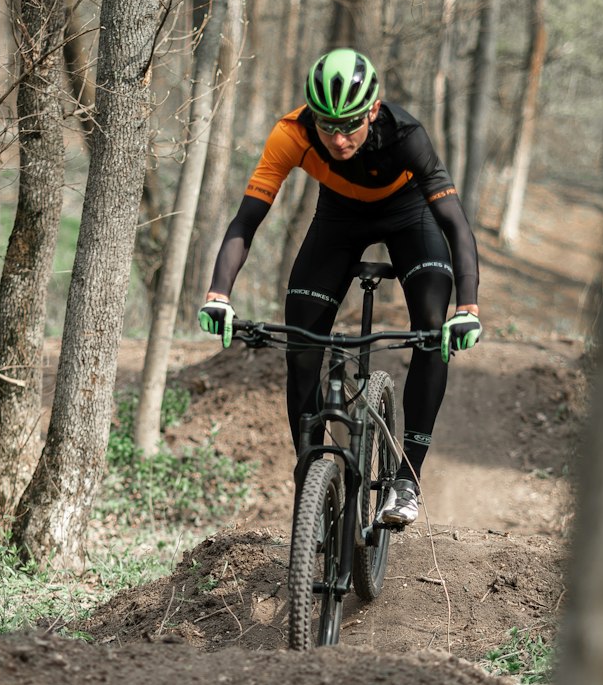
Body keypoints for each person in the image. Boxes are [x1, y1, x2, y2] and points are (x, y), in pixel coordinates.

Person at [198, 48, 481, 527]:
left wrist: (469, 305)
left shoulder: (406, 135)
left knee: (433, 328)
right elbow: (248, 219)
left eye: (350, 124)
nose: (338, 138)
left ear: (372, 110)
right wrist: (218, 294)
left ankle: (407, 479)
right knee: (301, 339)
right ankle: (312, 471)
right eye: (327, 125)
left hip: (409, 216)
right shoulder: (292, 133)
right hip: (338, 219)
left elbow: (454, 223)